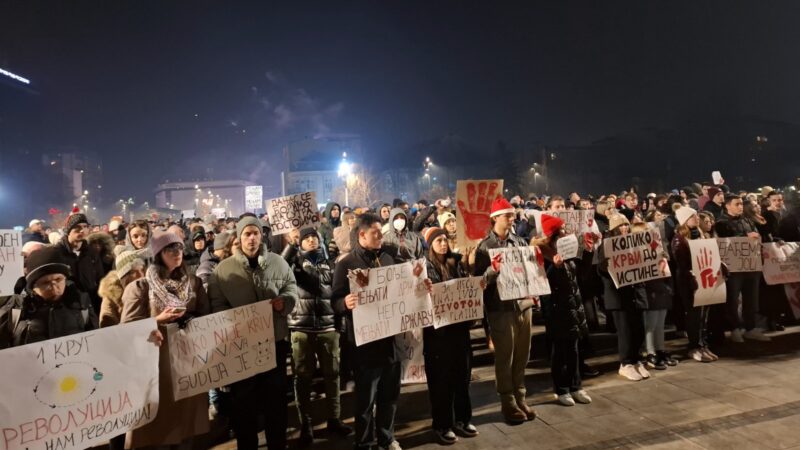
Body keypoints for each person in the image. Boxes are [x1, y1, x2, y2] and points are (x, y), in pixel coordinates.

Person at [207, 215, 298, 450]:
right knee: (244, 405)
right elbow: (217, 304)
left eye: (256, 233)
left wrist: (285, 301)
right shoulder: (223, 271)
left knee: (275, 403)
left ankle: (277, 444)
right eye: (247, 234)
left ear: (262, 236)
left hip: (274, 342)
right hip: (242, 348)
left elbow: (291, 287)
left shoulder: (278, 262)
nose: (252, 238)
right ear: (239, 237)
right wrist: (233, 322)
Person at [119, 231, 210, 449]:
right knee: (158, 430)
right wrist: (158, 320)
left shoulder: (193, 283)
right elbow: (126, 329)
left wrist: (189, 319)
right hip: (156, 364)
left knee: (185, 425)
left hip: (186, 361)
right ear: (159, 254)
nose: (177, 253)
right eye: (170, 249)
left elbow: (206, 315)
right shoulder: (141, 287)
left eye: (179, 248)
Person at [332, 213, 404, 450]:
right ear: (362, 234)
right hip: (364, 344)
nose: (380, 236)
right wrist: (345, 303)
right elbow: (334, 300)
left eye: (381, 232)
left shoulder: (389, 257)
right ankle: (364, 442)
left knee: (389, 396)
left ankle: (387, 437)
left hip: (390, 340)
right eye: (375, 233)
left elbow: (404, 288)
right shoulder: (347, 264)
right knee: (366, 399)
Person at [282, 228, 352, 446]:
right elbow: (280, 265)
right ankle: (306, 425)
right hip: (301, 328)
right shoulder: (293, 263)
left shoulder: (331, 264)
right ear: (300, 243)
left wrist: (338, 325)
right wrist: (292, 246)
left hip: (328, 327)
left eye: (314, 237)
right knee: (302, 379)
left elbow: (338, 292)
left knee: (332, 375)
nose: (311, 240)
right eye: (306, 238)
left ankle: (334, 418)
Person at [473, 198, 536, 424]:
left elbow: (529, 271)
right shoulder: (485, 247)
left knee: (522, 355)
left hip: (523, 305)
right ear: (495, 218)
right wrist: (493, 269)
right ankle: (508, 402)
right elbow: (478, 282)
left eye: (512, 215)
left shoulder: (519, 242)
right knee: (505, 357)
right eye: (507, 216)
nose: (512, 219)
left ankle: (520, 397)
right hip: (500, 309)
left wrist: (535, 288)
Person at [421, 227, 481, 444]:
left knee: (462, 378)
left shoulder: (456, 263)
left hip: (459, 331)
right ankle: (442, 424)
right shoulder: (424, 268)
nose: (443, 244)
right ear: (430, 244)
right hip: (438, 336)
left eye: (445, 239)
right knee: (441, 382)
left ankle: (463, 419)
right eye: (438, 240)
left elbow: (466, 289)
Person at [534, 215, 592, 407]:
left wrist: (588, 252)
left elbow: (580, 274)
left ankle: (576, 386)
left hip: (572, 306)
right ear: (553, 237)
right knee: (560, 352)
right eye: (562, 232)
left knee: (574, 350)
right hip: (556, 309)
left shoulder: (568, 252)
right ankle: (561, 389)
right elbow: (542, 281)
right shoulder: (542, 254)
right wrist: (555, 268)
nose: (566, 234)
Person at [0, 246, 98, 348]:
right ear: (32, 286)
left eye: (59, 279)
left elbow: (94, 343)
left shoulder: (81, 304)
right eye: (45, 283)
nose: (54, 288)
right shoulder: (15, 310)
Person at [598, 214, 651, 381]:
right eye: (620, 226)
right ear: (613, 229)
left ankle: (637, 359)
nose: (624, 228)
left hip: (636, 293)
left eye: (626, 225)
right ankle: (625, 363)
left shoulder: (635, 242)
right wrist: (605, 265)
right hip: (619, 296)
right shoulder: (606, 246)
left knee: (639, 328)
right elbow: (600, 270)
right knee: (626, 331)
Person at [715, 194, 770, 342]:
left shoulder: (747, 220)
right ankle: (735, 328)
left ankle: (750, 328)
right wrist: (746, 235)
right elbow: (725, 241)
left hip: (751, 265)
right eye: (737, 204)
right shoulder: (721, 222)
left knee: (751, 298)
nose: (740, 206)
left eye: (741, 204)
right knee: (732, 299)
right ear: (727, 205)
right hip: (734, 268)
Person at [671, 207, 719, 362]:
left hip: (704, 278)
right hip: (689, 281)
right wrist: (691, 273)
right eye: (692, 216)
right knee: (694, 314)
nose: (697, 218)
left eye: (696, 215)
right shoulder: (679, 238)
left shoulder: (701, 235)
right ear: (684, 220)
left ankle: (702, 344)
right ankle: (694, 347)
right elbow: (681, 262)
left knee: (704, 314)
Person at [56, 212, 107, 312]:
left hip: (92, 304)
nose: (82, 230)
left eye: (85, 226)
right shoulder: (57, 253)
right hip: (69, 307)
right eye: (77, 227)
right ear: (68, 230)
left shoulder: (92, 252)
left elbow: (100, 278)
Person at [98, 250, 147, 327]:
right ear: (124, 277)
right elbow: (108, 328)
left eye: (142, 270)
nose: (141, 275)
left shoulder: (147, 288)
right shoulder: (111, 296)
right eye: (133, 272)